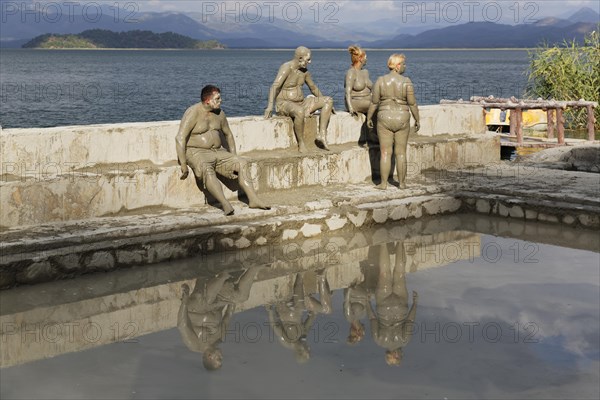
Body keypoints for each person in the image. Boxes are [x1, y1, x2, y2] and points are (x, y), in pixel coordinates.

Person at [175, 85, 270, 215]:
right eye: (217, 98)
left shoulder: (220, 114)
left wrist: (233, 156)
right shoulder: (193, 112)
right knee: (206, 168)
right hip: (196, 151)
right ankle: (225, 204)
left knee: (242, 163)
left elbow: (228, 135)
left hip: (218, 152)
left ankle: (253, 200)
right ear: (208, 100)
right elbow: (180, 138)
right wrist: (183, 163)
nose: (221, 101)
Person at [177, 266, 262, 370]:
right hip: (217, 302)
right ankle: (255, 267)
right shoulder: (220, 338)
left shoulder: (194, 344)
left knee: (207, 300)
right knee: (242, 297)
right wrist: (233, 300)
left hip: (197, 306)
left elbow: (182, 324)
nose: (222, 356)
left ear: (209, 357)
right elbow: (229, 314)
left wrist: (184, 300)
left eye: (219, 359)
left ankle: (223, 275)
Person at [264, 46, 334, 152]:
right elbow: (275, 86)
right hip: (284, 103)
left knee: (328, 100)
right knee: (299, 111)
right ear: (300, 58)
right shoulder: (287, 67)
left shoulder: (305, 72)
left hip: (302, 103)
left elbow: (313, 88)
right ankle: (301, 143)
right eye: (308, 59)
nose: (310, 62)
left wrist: (326, 103)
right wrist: (269, 106)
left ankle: (322, 135)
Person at [367, 54, 420, 190]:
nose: (405, 66)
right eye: (403, 64)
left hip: (384, 117)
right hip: (402, 117)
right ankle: (402, 183)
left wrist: (369, 117)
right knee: (401, 152)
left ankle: (383, 184)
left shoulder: (381, 80)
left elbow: (374, 102)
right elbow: (412, 104)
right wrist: (417, 119)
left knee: (385, 152)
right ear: (397, 66)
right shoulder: (406, 81)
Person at [367, 242, 418, 366]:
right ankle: (383, 243)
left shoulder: (404, 340)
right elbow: (372, 318)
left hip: (400, 307)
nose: (402, 354)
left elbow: (410, 320)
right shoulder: (379, 341)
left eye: (400, 356)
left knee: (399, 273)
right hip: (383, 308)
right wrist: (367, 302)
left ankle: (400, 241)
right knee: (384, 272)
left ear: (395, 355)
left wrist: (415, 303)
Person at [266, 272, 332, 363]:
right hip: (298, 305)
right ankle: (303, 277)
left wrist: (270, 311)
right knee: (322, 309)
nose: (307, 345)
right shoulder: (303, 334)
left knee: (299, 308)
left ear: (299, 351)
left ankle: (300, 276)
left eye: (306, 348)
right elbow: (312, 316)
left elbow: (275, 326)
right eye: (308, 347)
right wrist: (326, 296)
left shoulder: (287, 341)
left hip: (284, 311)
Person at [345, 45, 374, 147]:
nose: (367, 59)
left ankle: (378, 134)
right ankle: (371, 135)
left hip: (367, 100)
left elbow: (373, 88)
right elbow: (347, 92)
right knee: (373, 105)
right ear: (360, 58)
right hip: (355, 101)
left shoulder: (365, 72)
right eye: (365, 57)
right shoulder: (351, 73)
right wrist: (350, 108)